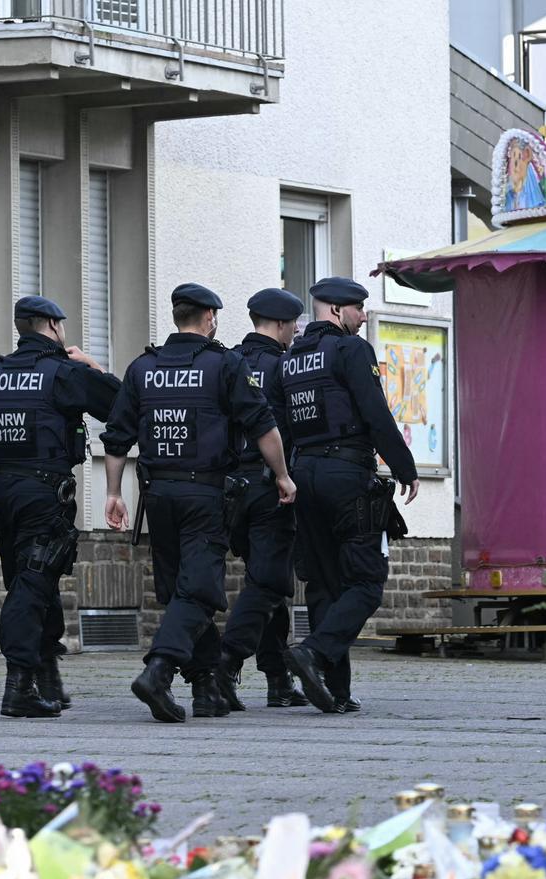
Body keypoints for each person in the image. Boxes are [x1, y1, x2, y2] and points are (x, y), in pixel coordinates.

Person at [101, 283, 296, 724]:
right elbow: (263, 426)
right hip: (205, 494)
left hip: (158, 496)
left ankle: (207, 687)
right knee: (199, 589)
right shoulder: (224, 364)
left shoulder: (143, 367)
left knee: (180, 589)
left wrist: (113, 493)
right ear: (209, 318)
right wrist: (282, 476)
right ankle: (159, 669)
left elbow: (116, 438)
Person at [0, 295, 120, 718]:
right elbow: (120, 403)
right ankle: (18, 686)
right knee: (31, 585)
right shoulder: (63, 373)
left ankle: (47, 678)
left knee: (33, 580)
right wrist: (91, 366)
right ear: (52, 325)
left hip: (1, 496)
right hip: (45, 494)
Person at [278, 277, 419, 715]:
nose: (362, 317)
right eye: (358, 309)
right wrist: (404, 467)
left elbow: (280, 423)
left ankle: (335, 689)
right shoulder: (351, 350)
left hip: (304, 474)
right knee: (365, 581)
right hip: (346, 473)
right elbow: (374, 410)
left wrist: (284, 476)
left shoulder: (291, 357)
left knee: (323, 583)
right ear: (336, 311)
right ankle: (314, 653)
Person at [216, 288, 311, 710]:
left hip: (230, 489)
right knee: (269, 581)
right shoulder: (283, 366)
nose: (295, 331)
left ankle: (277, 678)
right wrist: (287, 475)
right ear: (279, 324)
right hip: (271, 483)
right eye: (293, 324)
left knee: (268, 579)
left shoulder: (228, 361)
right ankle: (226, 659)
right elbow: (291, 425)